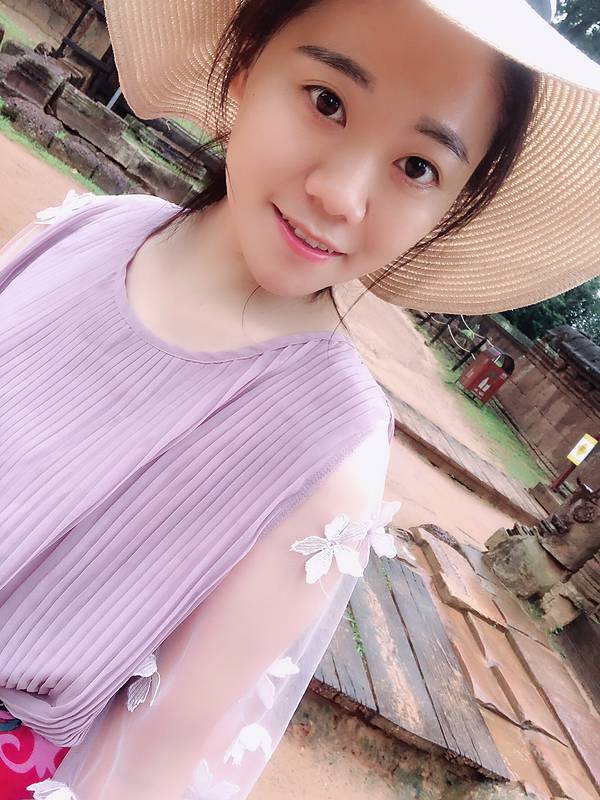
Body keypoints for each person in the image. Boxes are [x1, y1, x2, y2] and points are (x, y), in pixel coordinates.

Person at [0, 0, 599, 797]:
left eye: (418, 167)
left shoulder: (328, 449)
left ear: (448, 208)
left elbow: (144, 766)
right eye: (327, 101)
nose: (341, 195)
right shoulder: (96, 227)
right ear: (245, 65)